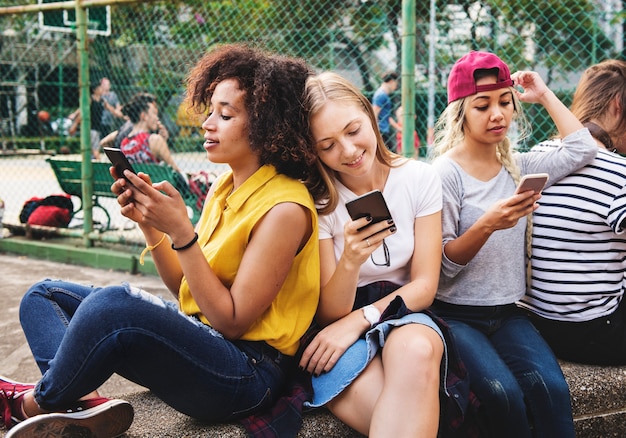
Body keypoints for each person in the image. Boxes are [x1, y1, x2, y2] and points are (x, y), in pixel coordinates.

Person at [0, 43, 321, 438]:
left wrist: (183, 233)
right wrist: (151, 225)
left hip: (245, 373)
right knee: (43, 295)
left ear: (268, 126)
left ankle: (31, 404)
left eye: (225, 114)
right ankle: (79, 404)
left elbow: (233, 323)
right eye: (210, 110)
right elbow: (186, 290)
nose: (207, 123)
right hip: (203, 343)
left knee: (114, 304)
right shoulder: (226, 186)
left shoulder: (284, 208)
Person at [429, 50, 597, 437]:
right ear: (460, 112)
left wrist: (544, 93)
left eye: (505, 102)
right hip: (456, 315)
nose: (497, 114)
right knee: (502, 395)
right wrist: (488, 224)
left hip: (508, 312)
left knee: (552, 389)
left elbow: (581, 149)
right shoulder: (445, 174)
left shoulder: (517, 166)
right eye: (482, 105)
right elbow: (442, 264)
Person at [298, 71, 445, 437]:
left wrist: (358, 320)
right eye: (327, 145)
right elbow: (331, 313)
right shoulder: (317, 202)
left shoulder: (419, 179)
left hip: (403, 309)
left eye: (353, 130)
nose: (348, 151)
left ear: (370, 113)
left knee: (416, 350)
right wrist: (350, 260)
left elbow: (425, 285)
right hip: (336, 321)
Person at [519, 59, 626, 365]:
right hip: (592, 333)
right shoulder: (620, 172)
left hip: (534, 325)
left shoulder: (538, 155)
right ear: (618, 104)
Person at [100, 93, 181, 174]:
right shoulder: (153, 140)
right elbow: (175, 170)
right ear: (143, 115)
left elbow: (104, 142)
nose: (157, 118)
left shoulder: (124, 140)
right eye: (154, 112)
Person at [371, 71, 400, 152]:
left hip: (384, 130)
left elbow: (386, 115)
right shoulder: (381, 95)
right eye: (396, 83)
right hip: (381, 131)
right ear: (391, 81)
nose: (396, 86)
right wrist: (376, 131)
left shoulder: (383, 95)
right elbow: (375, 113)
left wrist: (397, 127)